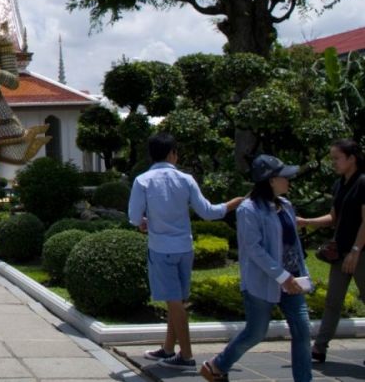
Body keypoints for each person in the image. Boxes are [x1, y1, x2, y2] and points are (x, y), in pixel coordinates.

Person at [128, 133, 244, 370]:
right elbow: (208, 211)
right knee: (177, 300)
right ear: (172, 153)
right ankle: (168, 348)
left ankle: (187, 355)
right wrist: (233, 203)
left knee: (174, 302)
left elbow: (133, 216)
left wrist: (143, 221)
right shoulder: (186, 179)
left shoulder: (143, 180)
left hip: (161, 248)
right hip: (184, 247)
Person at [201, 155, 311, 382]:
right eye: (284, 177)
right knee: (256, 333)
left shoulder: (286, 206)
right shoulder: (248, 210)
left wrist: (301, 273)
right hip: (263, 282)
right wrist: (281, 275)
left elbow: (294, 245)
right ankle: (218, 365)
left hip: (291, 281)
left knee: (302, 329)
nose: (289, 181)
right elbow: (254, 248)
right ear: (270, 180)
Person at [297, 138, 365, 364]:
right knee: (333, 301)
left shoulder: (363, 182)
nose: (333, 163)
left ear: (351, 159)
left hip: (360, 252)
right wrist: (307, 221)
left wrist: (356, 251)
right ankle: (319, 347)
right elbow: (334, 218)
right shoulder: (340, 185)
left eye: (337, 158)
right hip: (341, 253)